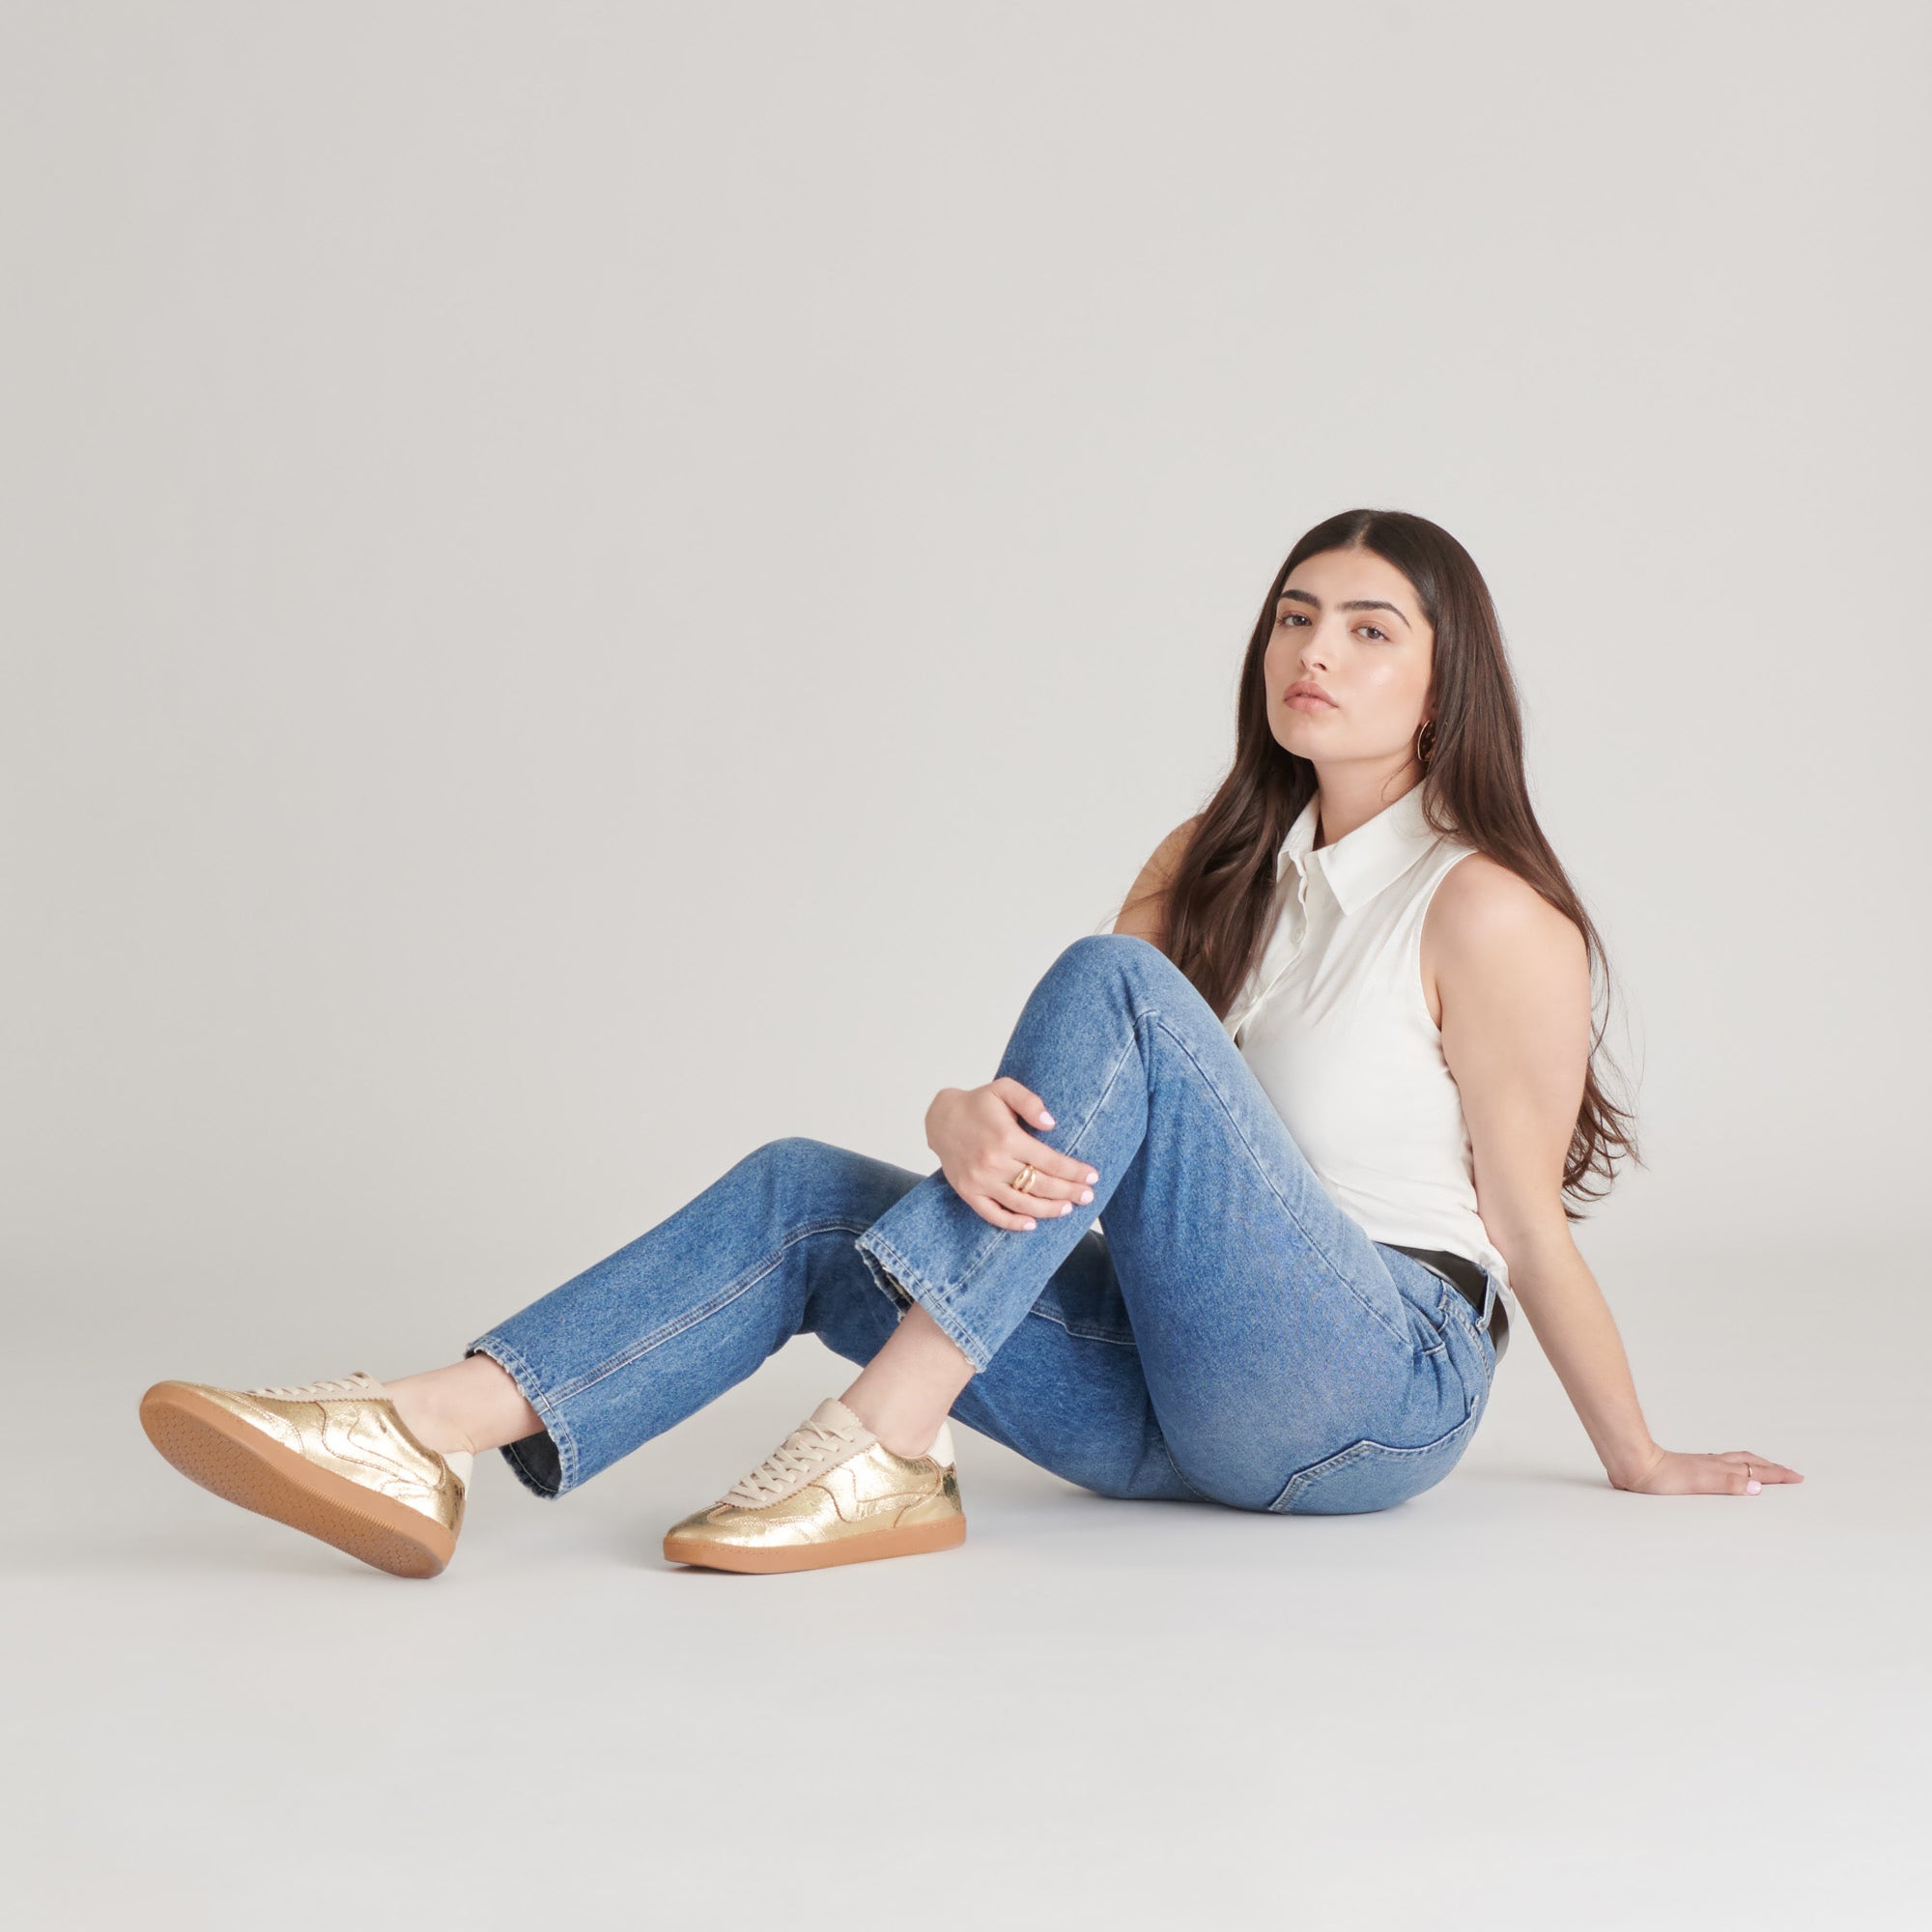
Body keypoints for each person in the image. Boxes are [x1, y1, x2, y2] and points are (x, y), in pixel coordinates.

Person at [137, 507, 1803, 1580]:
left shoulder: (1486, 908)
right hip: (1176, 1398)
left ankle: (886, 1438)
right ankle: (424, 1429)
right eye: (1297, 617)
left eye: (1372, 630)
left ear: (1444, 689)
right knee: (807, 1192)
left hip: (1373, 1390)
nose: (1316, 653)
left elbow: (1523, 1224)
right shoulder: (1214, 861)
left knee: (1116, 981)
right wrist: (952, 1116)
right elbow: (1082, 1115)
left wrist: (1639, 1458)